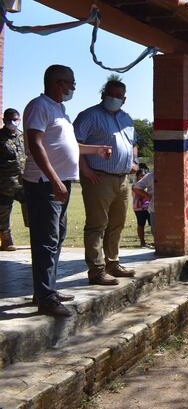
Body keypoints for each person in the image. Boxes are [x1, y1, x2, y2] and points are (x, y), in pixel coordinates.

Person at [23, 65, 112, 316]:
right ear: (58, 83)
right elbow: (35, 143)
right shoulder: (39, 106)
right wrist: (53, 179)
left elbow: (69, 145)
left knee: (57, 237)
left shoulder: (60, 109)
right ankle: (46, 298)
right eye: (71, 83)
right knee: (46, 239)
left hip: (59, 183)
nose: (74, 87)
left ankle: (45, 289)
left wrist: (95, 150)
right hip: (43, 184)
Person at [73, 76, 137, 286]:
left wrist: (133, 161)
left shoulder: (127, 119)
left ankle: (113, 262)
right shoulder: (89, 116)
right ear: (103, 94)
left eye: (119, 96)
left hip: (122, 180)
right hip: (98, 177)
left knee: (117, 223)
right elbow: (73, 145)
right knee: (97, 225)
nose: (114, 98)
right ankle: (97, 270)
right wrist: (86, 171)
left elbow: (133, 143)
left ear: (124, 99)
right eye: (111, 94)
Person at [0, 108, 25, 251]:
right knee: (3, 213)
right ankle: (6, 240)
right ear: (4, 120)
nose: (12, 122)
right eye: (9, 120)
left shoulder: (22, 136)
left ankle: (36, 237)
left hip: (23, 182)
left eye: (15, 119)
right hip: (5, 183)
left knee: (31, 210)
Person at [132, 168, 151, 248]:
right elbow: (140, 195)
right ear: (137, 176)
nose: (142, 177)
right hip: (139, 208)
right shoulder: (135, 185)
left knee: (152, 224)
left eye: (144, 176)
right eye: (141, 176)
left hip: (149, 206)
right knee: (141, 224)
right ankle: (142, 242)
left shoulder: (147, 184)